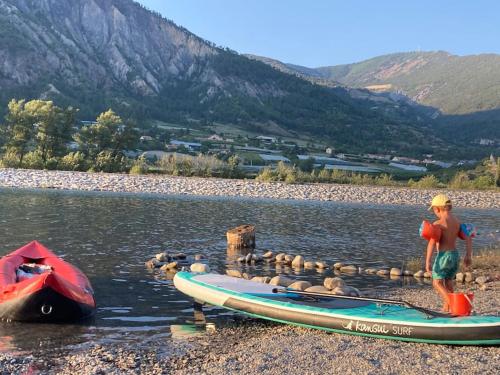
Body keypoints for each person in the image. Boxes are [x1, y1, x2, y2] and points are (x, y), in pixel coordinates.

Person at [425, 194, 472, 312]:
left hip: (443, 256)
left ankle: (453, 303)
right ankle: (447, 309)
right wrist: (468, 255)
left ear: (437, 209)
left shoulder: (438, 224)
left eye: (434, 210)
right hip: (455, 255)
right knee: (448, 281)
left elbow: (431, 244)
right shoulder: (457, 222)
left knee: (436, 283)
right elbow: (468, 238)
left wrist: (428, 262)